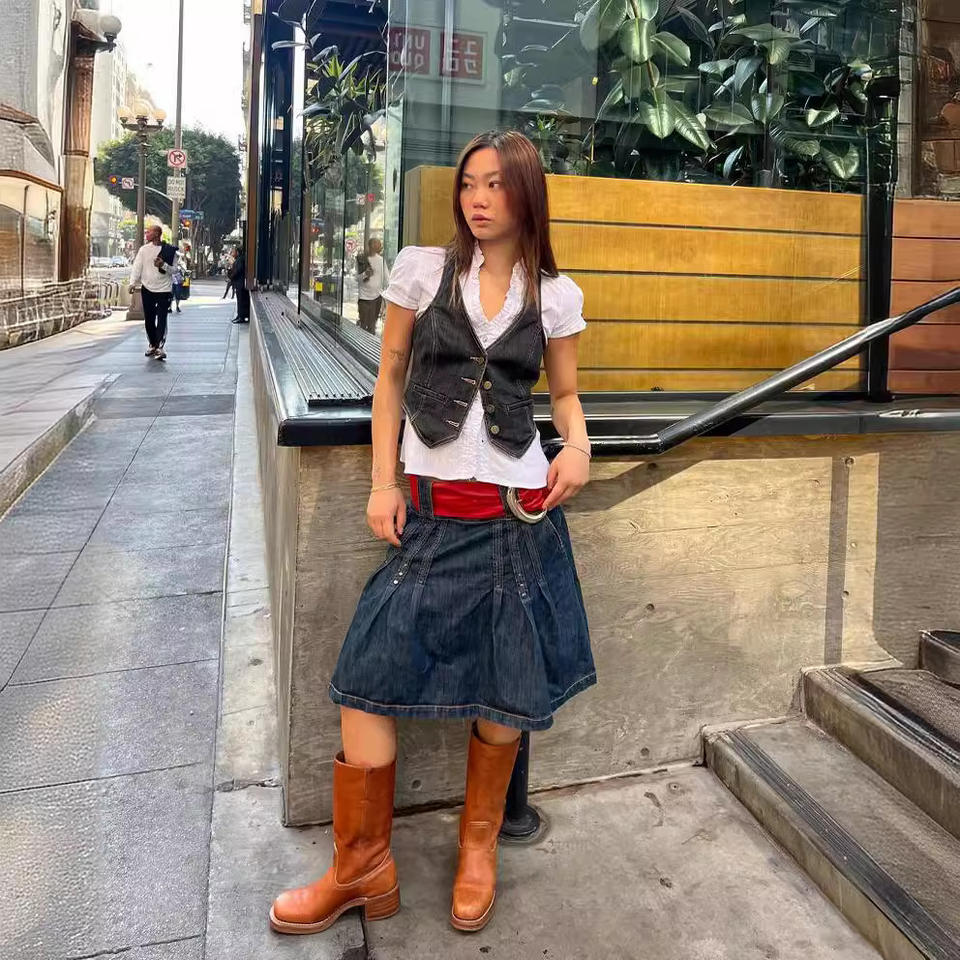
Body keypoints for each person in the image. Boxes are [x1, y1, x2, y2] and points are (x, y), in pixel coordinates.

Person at [269, 130, 595, 937]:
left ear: (527, 194)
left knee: (505, 688)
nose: (478, 199)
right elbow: (388, 377)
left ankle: (477, 847)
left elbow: (564, 396)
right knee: (363, 676)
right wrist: (382, 482)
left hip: (516, 522)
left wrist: (579, 448)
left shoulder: (555, 296)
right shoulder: (422, 270)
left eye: (496, 185)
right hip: (430, 515)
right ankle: (361, 864)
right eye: (469, 184)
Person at [130, 225, 175, 361]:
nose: (146, 234)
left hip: (164, 289)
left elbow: (175, 270)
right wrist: (132, 283)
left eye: (149, 232)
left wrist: (163, 265)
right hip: (147, 289)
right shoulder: (143, 250)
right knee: (149, 319)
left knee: (162, 318)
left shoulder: (170, 250)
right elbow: (137, 267)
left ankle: (160, 347)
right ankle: (152, 344)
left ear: (157, 234)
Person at [356, 237, 390, 334]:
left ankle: (369, 341)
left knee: (372, 325)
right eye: (376, 244)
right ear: (370, 246)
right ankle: (362, 341)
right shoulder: (361, 259)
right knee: (363, 324)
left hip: (376, 297)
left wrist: (387, 297)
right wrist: (365, 274)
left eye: (379, 245)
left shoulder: (381, 260)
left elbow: (387, 278)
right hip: (364, 298)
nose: (378, 247)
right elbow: (357, 278)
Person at [230, 247, 249, 323]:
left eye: (233, 252)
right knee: (239, 300)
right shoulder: (238, 259)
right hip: (238, 283)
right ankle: (239, 315)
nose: (232, 253)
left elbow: (239, 270)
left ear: (237, 252)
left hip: (240, 283)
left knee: (241, 301)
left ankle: (241, 317)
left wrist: (232, 276)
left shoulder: (240, 259)